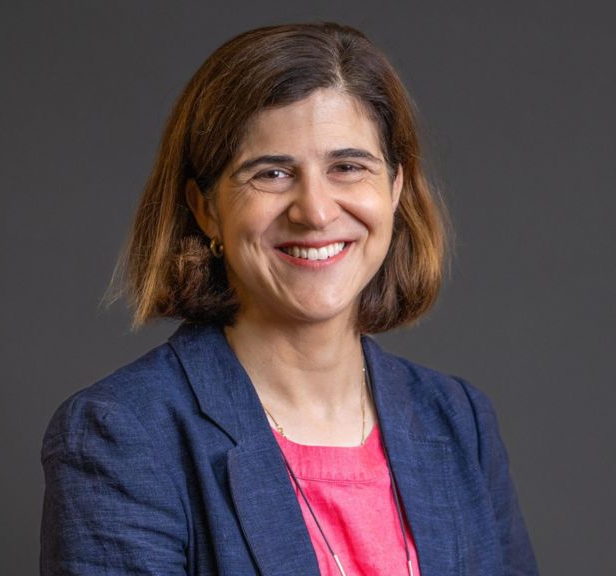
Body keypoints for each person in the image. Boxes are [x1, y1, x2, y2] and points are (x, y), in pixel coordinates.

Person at [41, 22, 538, 576]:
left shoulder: (458, 420)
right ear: (205, 208)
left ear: (396, 188)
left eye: (348, 167)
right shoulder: (125, 434)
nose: (316, 211)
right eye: (272, 173)